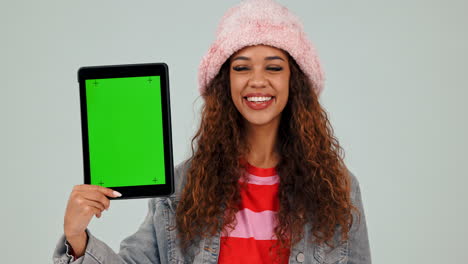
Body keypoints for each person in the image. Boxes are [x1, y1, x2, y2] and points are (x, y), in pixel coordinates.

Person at [53, 0, 371, 263]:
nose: (257, 80)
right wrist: (76, 238)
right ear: (224, 82)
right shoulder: (182, 190)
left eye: (274, 67)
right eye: (242, 67)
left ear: (294, 82)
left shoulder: (338, 190)